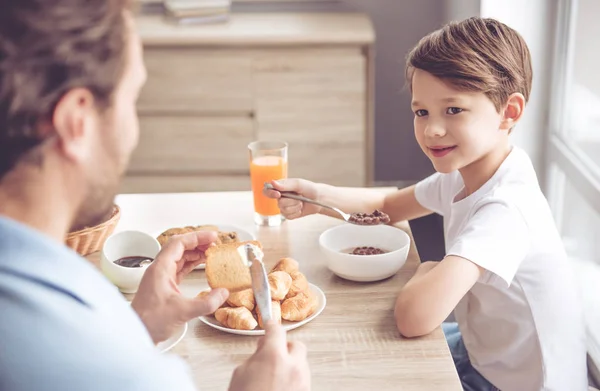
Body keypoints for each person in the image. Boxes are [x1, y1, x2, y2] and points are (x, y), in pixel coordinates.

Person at [264, 17, 587, 391]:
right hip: (481, 352)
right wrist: (316, 198)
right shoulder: (469, 172)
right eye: (422, 112)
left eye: (453, 110)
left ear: (509, 112)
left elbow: (414, 318)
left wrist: (427, 269)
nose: (433, 129)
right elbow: (389, 203)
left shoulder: (505, 210)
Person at [0, 1, 310, 390]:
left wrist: (137, 327)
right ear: (76, 121)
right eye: (132, 99)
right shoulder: (127, 375)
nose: (133, 130)